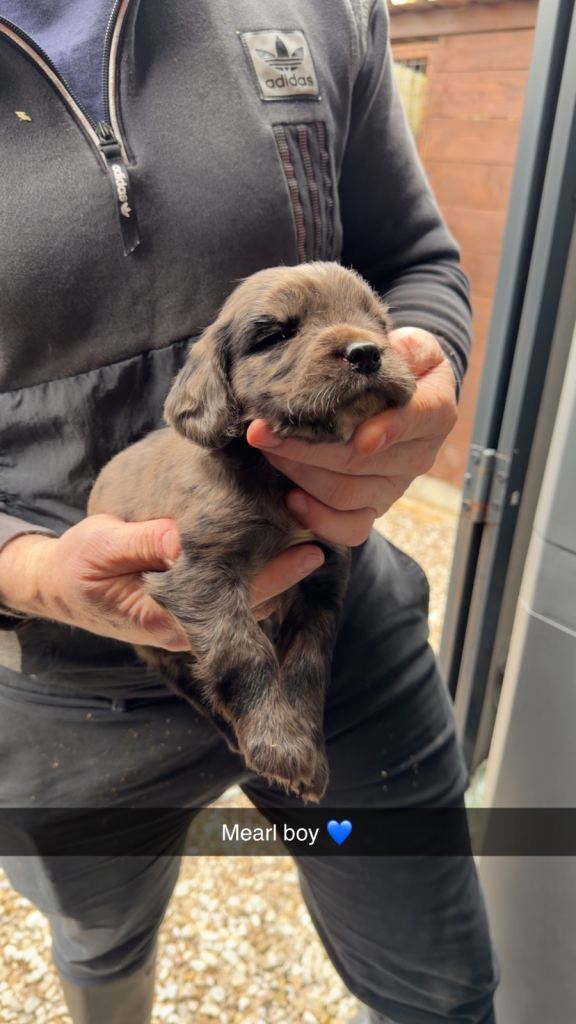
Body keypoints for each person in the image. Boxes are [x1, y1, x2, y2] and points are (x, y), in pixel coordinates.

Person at [0, 1, 499, 1022]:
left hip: (343, 635)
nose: (352, 339)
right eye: (285, 333)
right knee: (102, 935)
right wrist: (20, 562)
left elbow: (419, 265)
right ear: (218, 384)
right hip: (61, 679)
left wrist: (422, 364)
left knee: (437, 984)